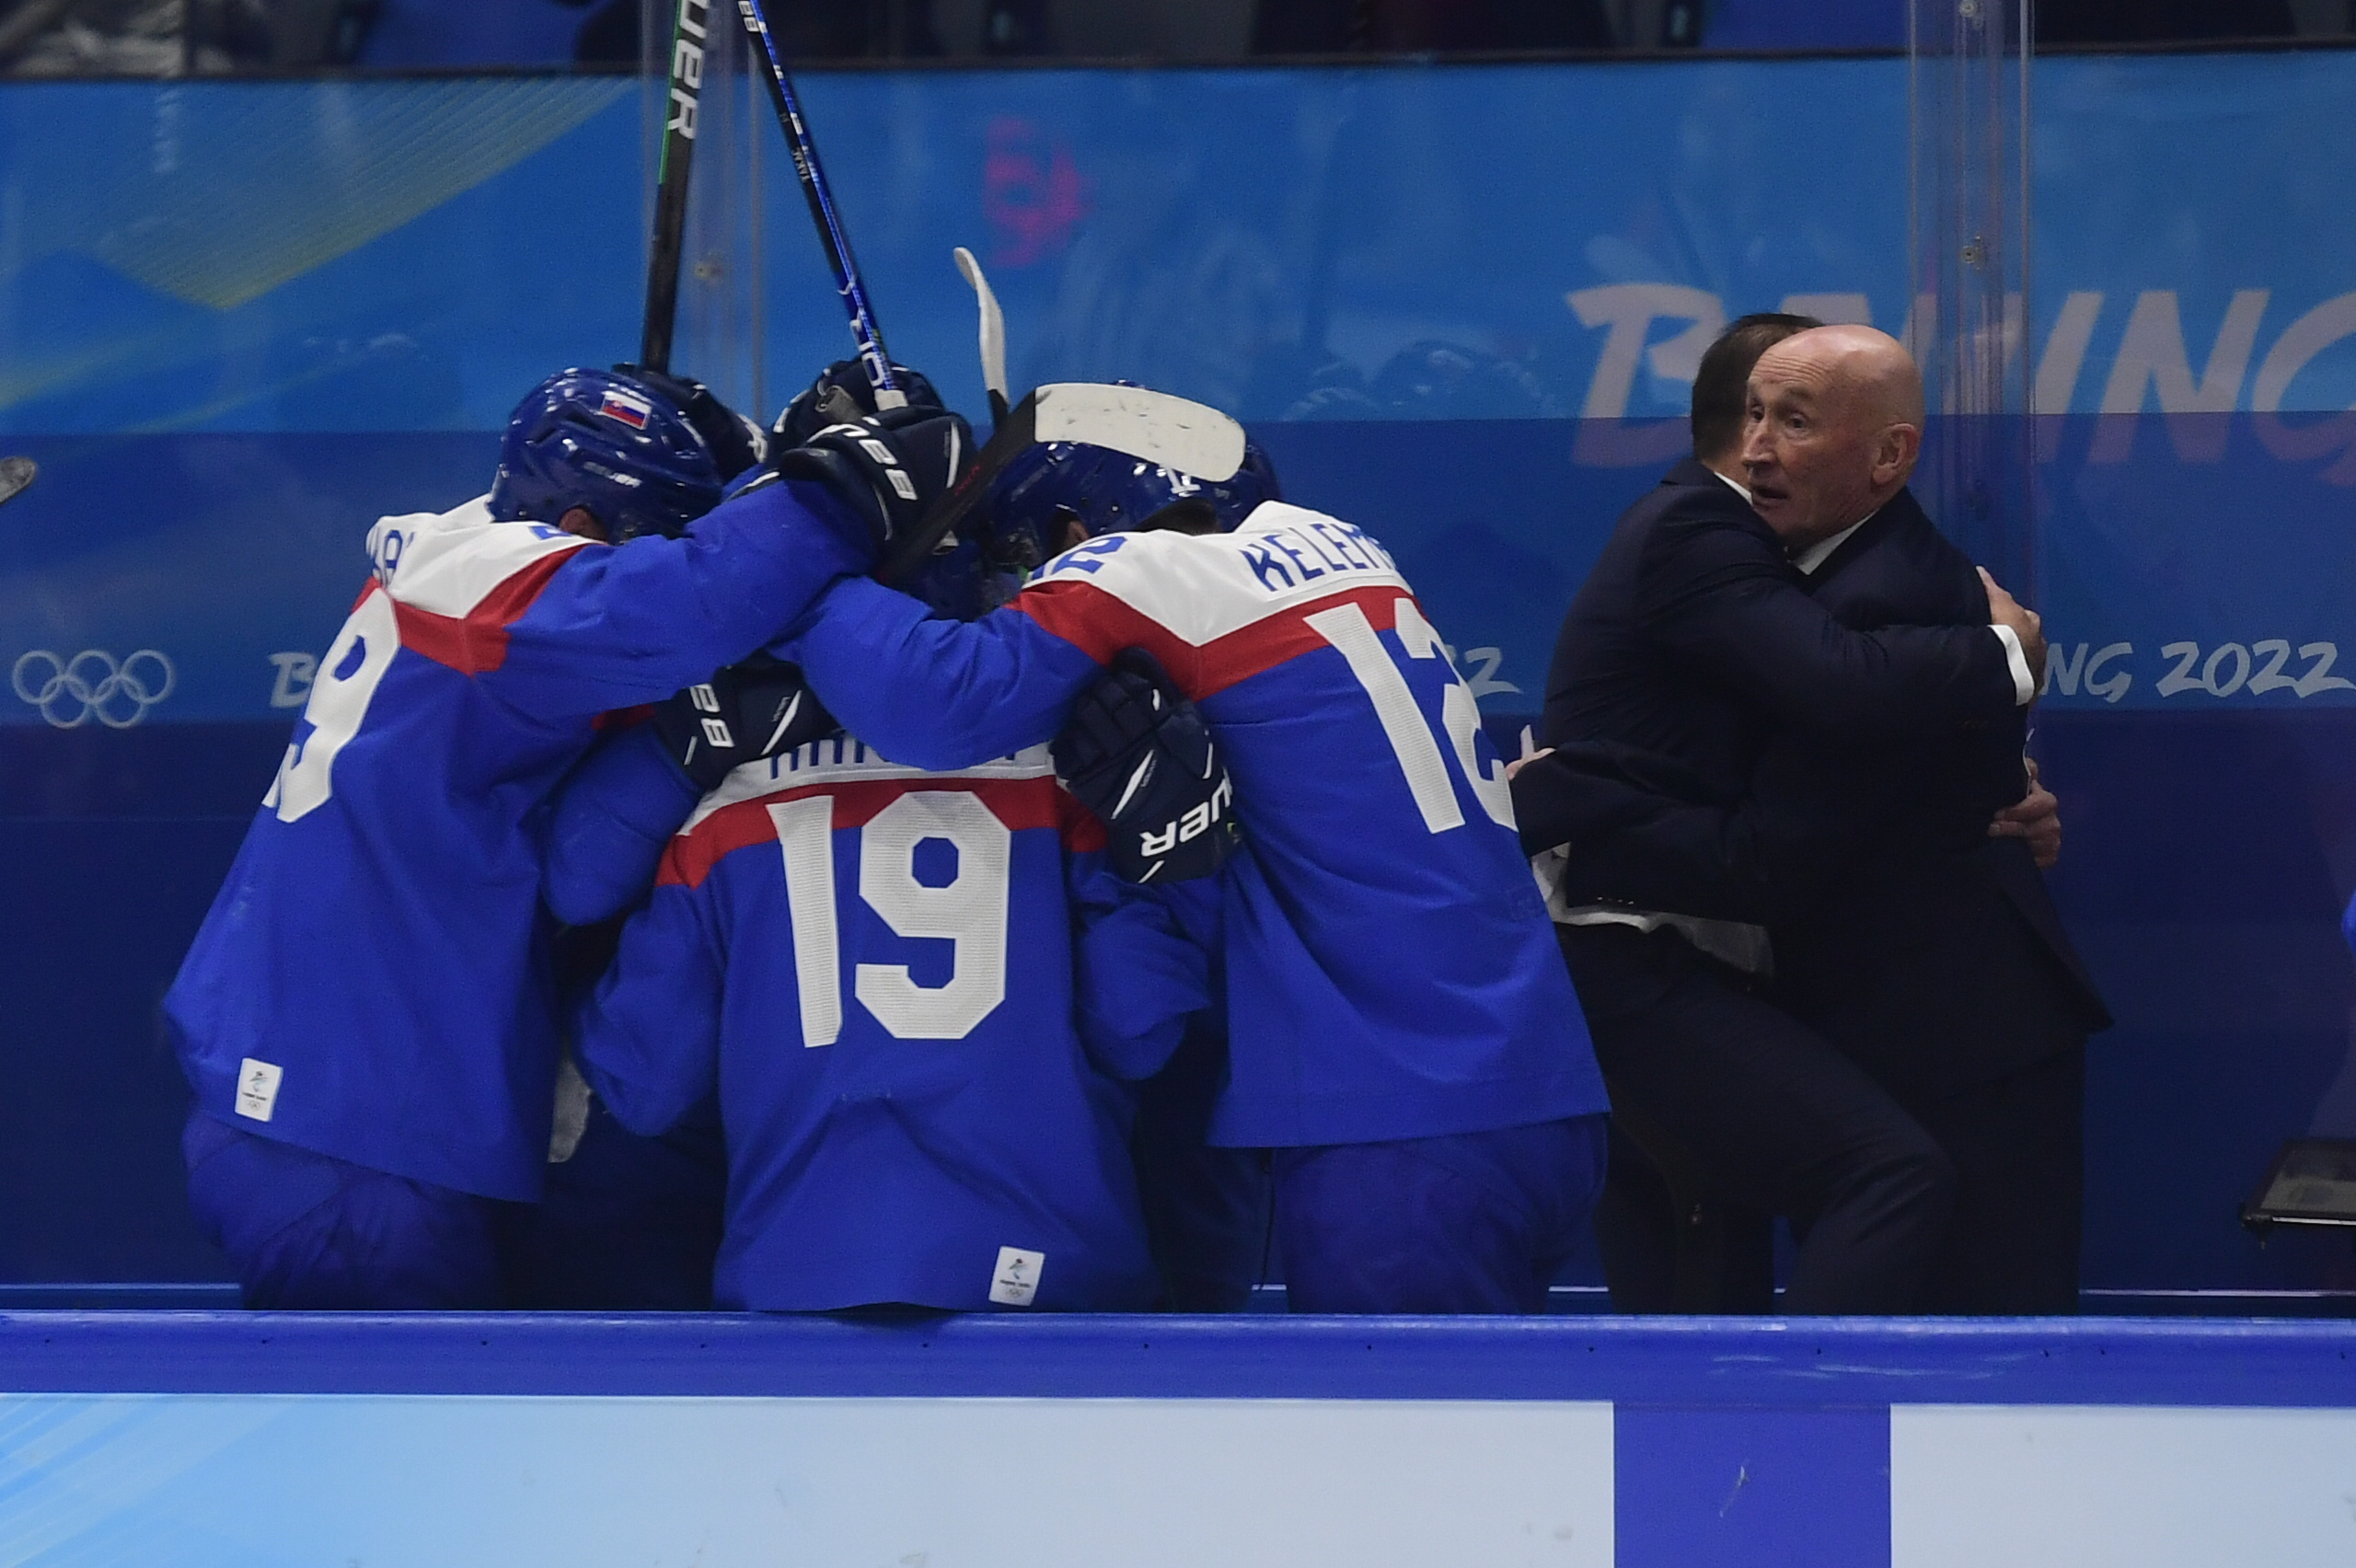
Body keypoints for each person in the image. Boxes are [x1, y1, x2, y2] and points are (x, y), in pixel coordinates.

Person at [165, 363, 967, 1309]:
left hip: (341, 1123)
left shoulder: (469, 580)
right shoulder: (489, 584)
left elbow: (574, 859)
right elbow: (688, 602)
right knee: (402, 1449)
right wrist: (845, 486)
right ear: (581, 531)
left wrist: (769, 452)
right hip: (346, 1131)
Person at [776, 416, 1614, 1315]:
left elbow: (938, 700)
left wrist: (791, 563)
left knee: (1400, 1456)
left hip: (1397, 1127)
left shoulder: (1146, 570)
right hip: (1541, 1095)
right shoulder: (1349, 549)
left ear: (1074, 531)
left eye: (1028, 557)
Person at [1543, 324, 2108, 1313]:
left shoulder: (1881, 595)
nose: (1754, 447)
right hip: (1890, 1011)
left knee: (1977, 1357)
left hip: (1961, 1035)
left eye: (1792, 422)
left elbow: (1768, 855)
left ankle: (1782, 1424)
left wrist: (1566, 815)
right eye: (1754, 415)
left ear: (1889, 455)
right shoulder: (1801, 567)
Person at [547, 506, 1228, 1311]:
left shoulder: (727, 811)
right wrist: (1177, 873)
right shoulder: (1070, 784)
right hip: (1049, 1285)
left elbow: (641, 1078)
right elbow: (1138, 1028)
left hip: (797, 1279)